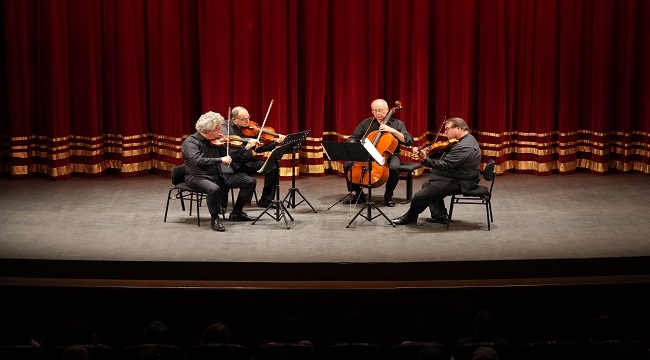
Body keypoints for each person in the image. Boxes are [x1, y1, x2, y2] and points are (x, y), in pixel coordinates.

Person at [391, 117, 480, 225]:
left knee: (419, 196)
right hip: (456, 176)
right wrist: (426, 151)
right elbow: (446, 151)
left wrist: (425, 159)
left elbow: (445, 165)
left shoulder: (464, 146)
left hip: (461, 181)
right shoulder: (464, 139)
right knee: (426, 185)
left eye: (447, 129)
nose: (445, 132)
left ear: (459, 128)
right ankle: (440, 215)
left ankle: (410, 217)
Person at [182, 111, 258, 232]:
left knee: (249, 181)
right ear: (208, 130)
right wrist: (221, 159)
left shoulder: (216, 141)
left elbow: (231, 156)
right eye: (217, 129)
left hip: (218, 175)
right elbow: (198, 160)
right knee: (214, 189)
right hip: (198, 177)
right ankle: (215, 218)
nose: (220, 132)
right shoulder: (191, 142)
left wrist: (246, 148)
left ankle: (237, 213)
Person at [343, 99, 413, 207]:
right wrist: (353, 144)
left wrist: (392, 130)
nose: (377, 113)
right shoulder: (367, 123)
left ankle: (388, 195)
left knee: (394, 168)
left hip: (389, 154)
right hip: (368, 153)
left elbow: (409, 141)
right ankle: (359, 195)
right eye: (374, 111)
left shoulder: (397, 124)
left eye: (380, 110)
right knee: (348, 165)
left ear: (387, 109)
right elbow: (353, 138)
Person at [222, 106, 286, 209]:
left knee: (272, 167)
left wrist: (276, 142)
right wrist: (247, 141)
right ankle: (221, 205)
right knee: (223, 175)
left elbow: (258, 149)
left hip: (246, 161)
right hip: (232, 162)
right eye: (244, 119)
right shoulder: (225, 127)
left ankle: (266, 200)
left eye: (248, 117)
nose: (248, 121)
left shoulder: (249, 130)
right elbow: (227, 138)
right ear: (234, 119)